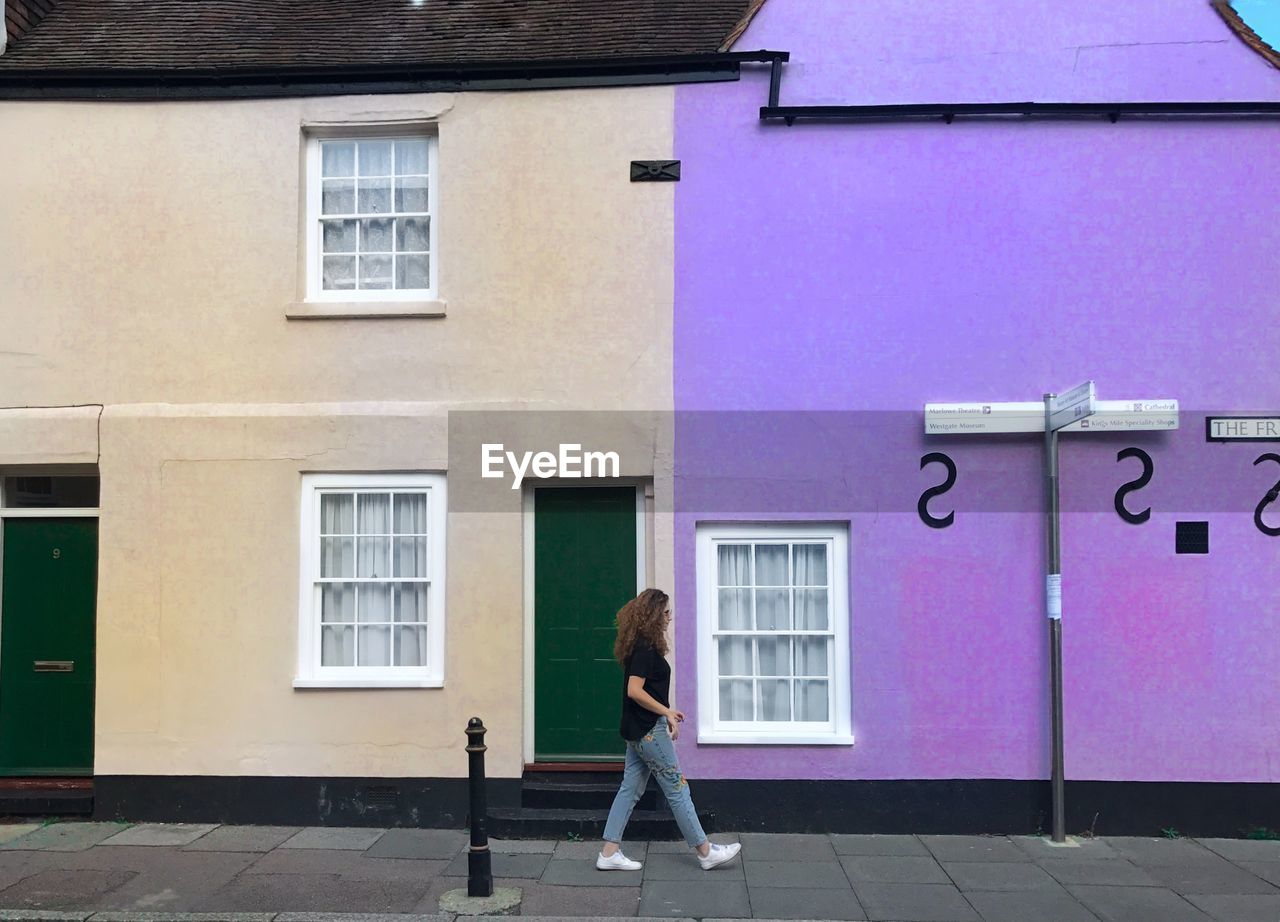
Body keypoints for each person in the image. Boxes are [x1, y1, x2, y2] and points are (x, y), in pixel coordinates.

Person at [596, 588, 742, 871]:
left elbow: (648, 691)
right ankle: (705, 851)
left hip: (640, 730)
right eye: (665, 613)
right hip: (649, 732)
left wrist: (667, 716)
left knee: (629, 789)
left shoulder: (641, 647)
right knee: (677, 789)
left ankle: (608, 853)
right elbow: (634, 691)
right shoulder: (644, 651)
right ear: (652, 616)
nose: (669, 617)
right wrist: (665, 713)